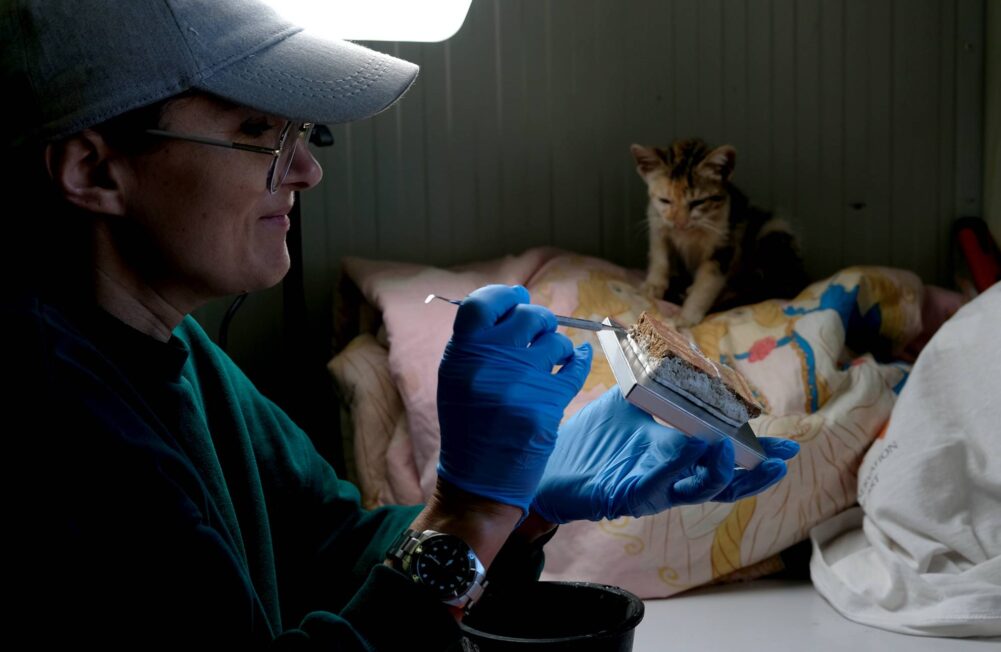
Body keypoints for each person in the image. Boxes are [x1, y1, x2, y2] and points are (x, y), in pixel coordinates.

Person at [1, 0, 798, 648]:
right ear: (93, 169)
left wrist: (519, 508)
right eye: (257, 133)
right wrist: (472, 513)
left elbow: (332, 551)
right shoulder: (53, 418)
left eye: (299, 134)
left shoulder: (174, 347)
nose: (307, 169)